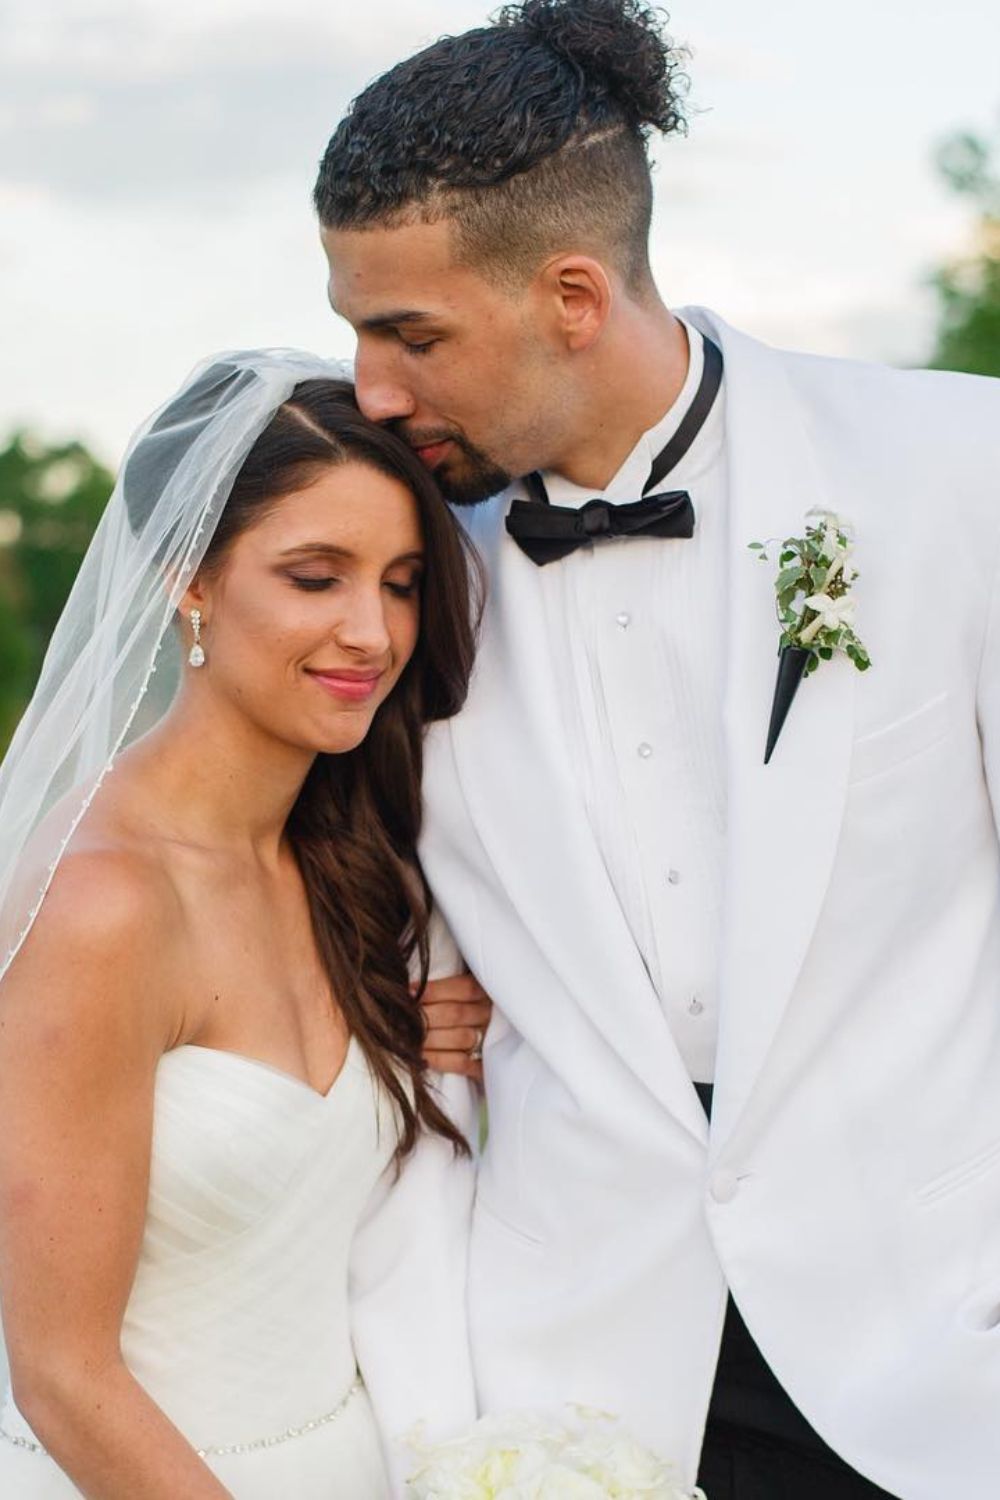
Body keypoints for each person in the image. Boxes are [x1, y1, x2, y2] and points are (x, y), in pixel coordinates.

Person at [314, 2, 1000, 1497]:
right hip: (580, 1387)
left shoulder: (959, 473)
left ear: (571, 293)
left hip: (940, 1355)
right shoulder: (391, 587)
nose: (370, 390)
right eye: (355, 329)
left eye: (409, 334)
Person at [0, 352, 488, 1498]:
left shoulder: (363, 879)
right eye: (316, 577)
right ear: (188, 578)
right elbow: (62, 1374)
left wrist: (416, 1045)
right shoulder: (103, 903)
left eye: (404, 581)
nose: (373, 631)